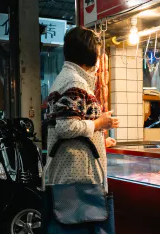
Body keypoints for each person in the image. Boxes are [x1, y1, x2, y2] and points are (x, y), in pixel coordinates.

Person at [45, 26, 119, 190]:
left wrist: (99, 139)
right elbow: (66, 127)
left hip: (72, 174)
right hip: (77, 179)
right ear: (89, 53)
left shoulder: (66, 78)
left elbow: (69, 124)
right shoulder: (75, 82)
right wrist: (99, 123)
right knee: (83, 215)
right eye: (97, 51)